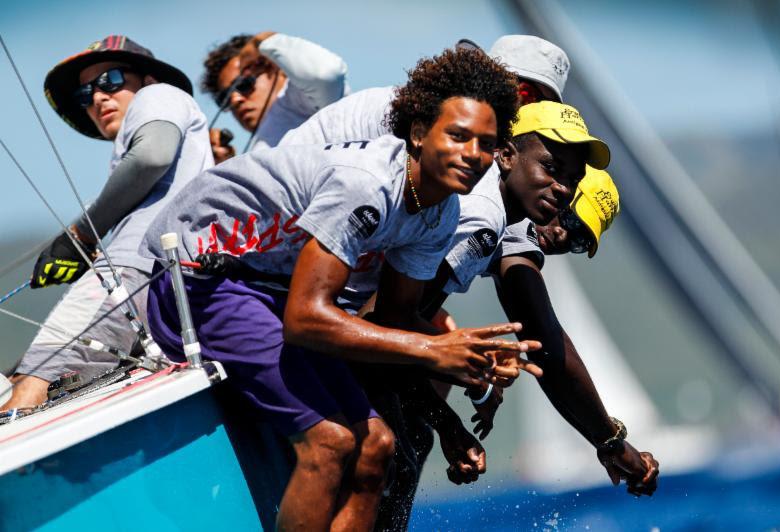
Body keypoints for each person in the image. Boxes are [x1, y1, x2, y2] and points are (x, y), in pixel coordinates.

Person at [277, 36, 658, 529]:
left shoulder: (491, 186)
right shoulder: (474, 178)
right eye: (551, 165)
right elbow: (388, 315)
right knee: (396, 430)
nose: (560, 229)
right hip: (282, 275)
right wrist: (452, 418)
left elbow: (532, 328)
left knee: (429, 374)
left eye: (578, 237)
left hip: (319, 279)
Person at [140, 47, 527, 531]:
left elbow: (393, 317)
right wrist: (432, 348)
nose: (473, 155)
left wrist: (475, 354)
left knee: (377, 445)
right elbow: (305, 321)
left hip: (267, 289)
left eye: (487, 144)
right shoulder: (365, 186)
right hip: (200, 278)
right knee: (329, 443)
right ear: (418, 133)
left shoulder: (441, 211)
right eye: (458, 136)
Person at [1, 36, 213, 411]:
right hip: (167, 276)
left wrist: (79, 234)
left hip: (135, 271)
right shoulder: (143, 141)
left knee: (30, 387)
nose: (97, 98)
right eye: (85, 95)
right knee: (41, 390)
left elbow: (151, 157)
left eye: (110, 80)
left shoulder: (158, 94)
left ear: (146, 80)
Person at [201, 31, 348, 163]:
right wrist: (226, 164)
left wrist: (262, 42)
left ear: (273, 68)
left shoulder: (299, 98)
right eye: (224, 98)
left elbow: (326, 73)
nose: (235, 100)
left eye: (243, 84)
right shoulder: (260, 143)